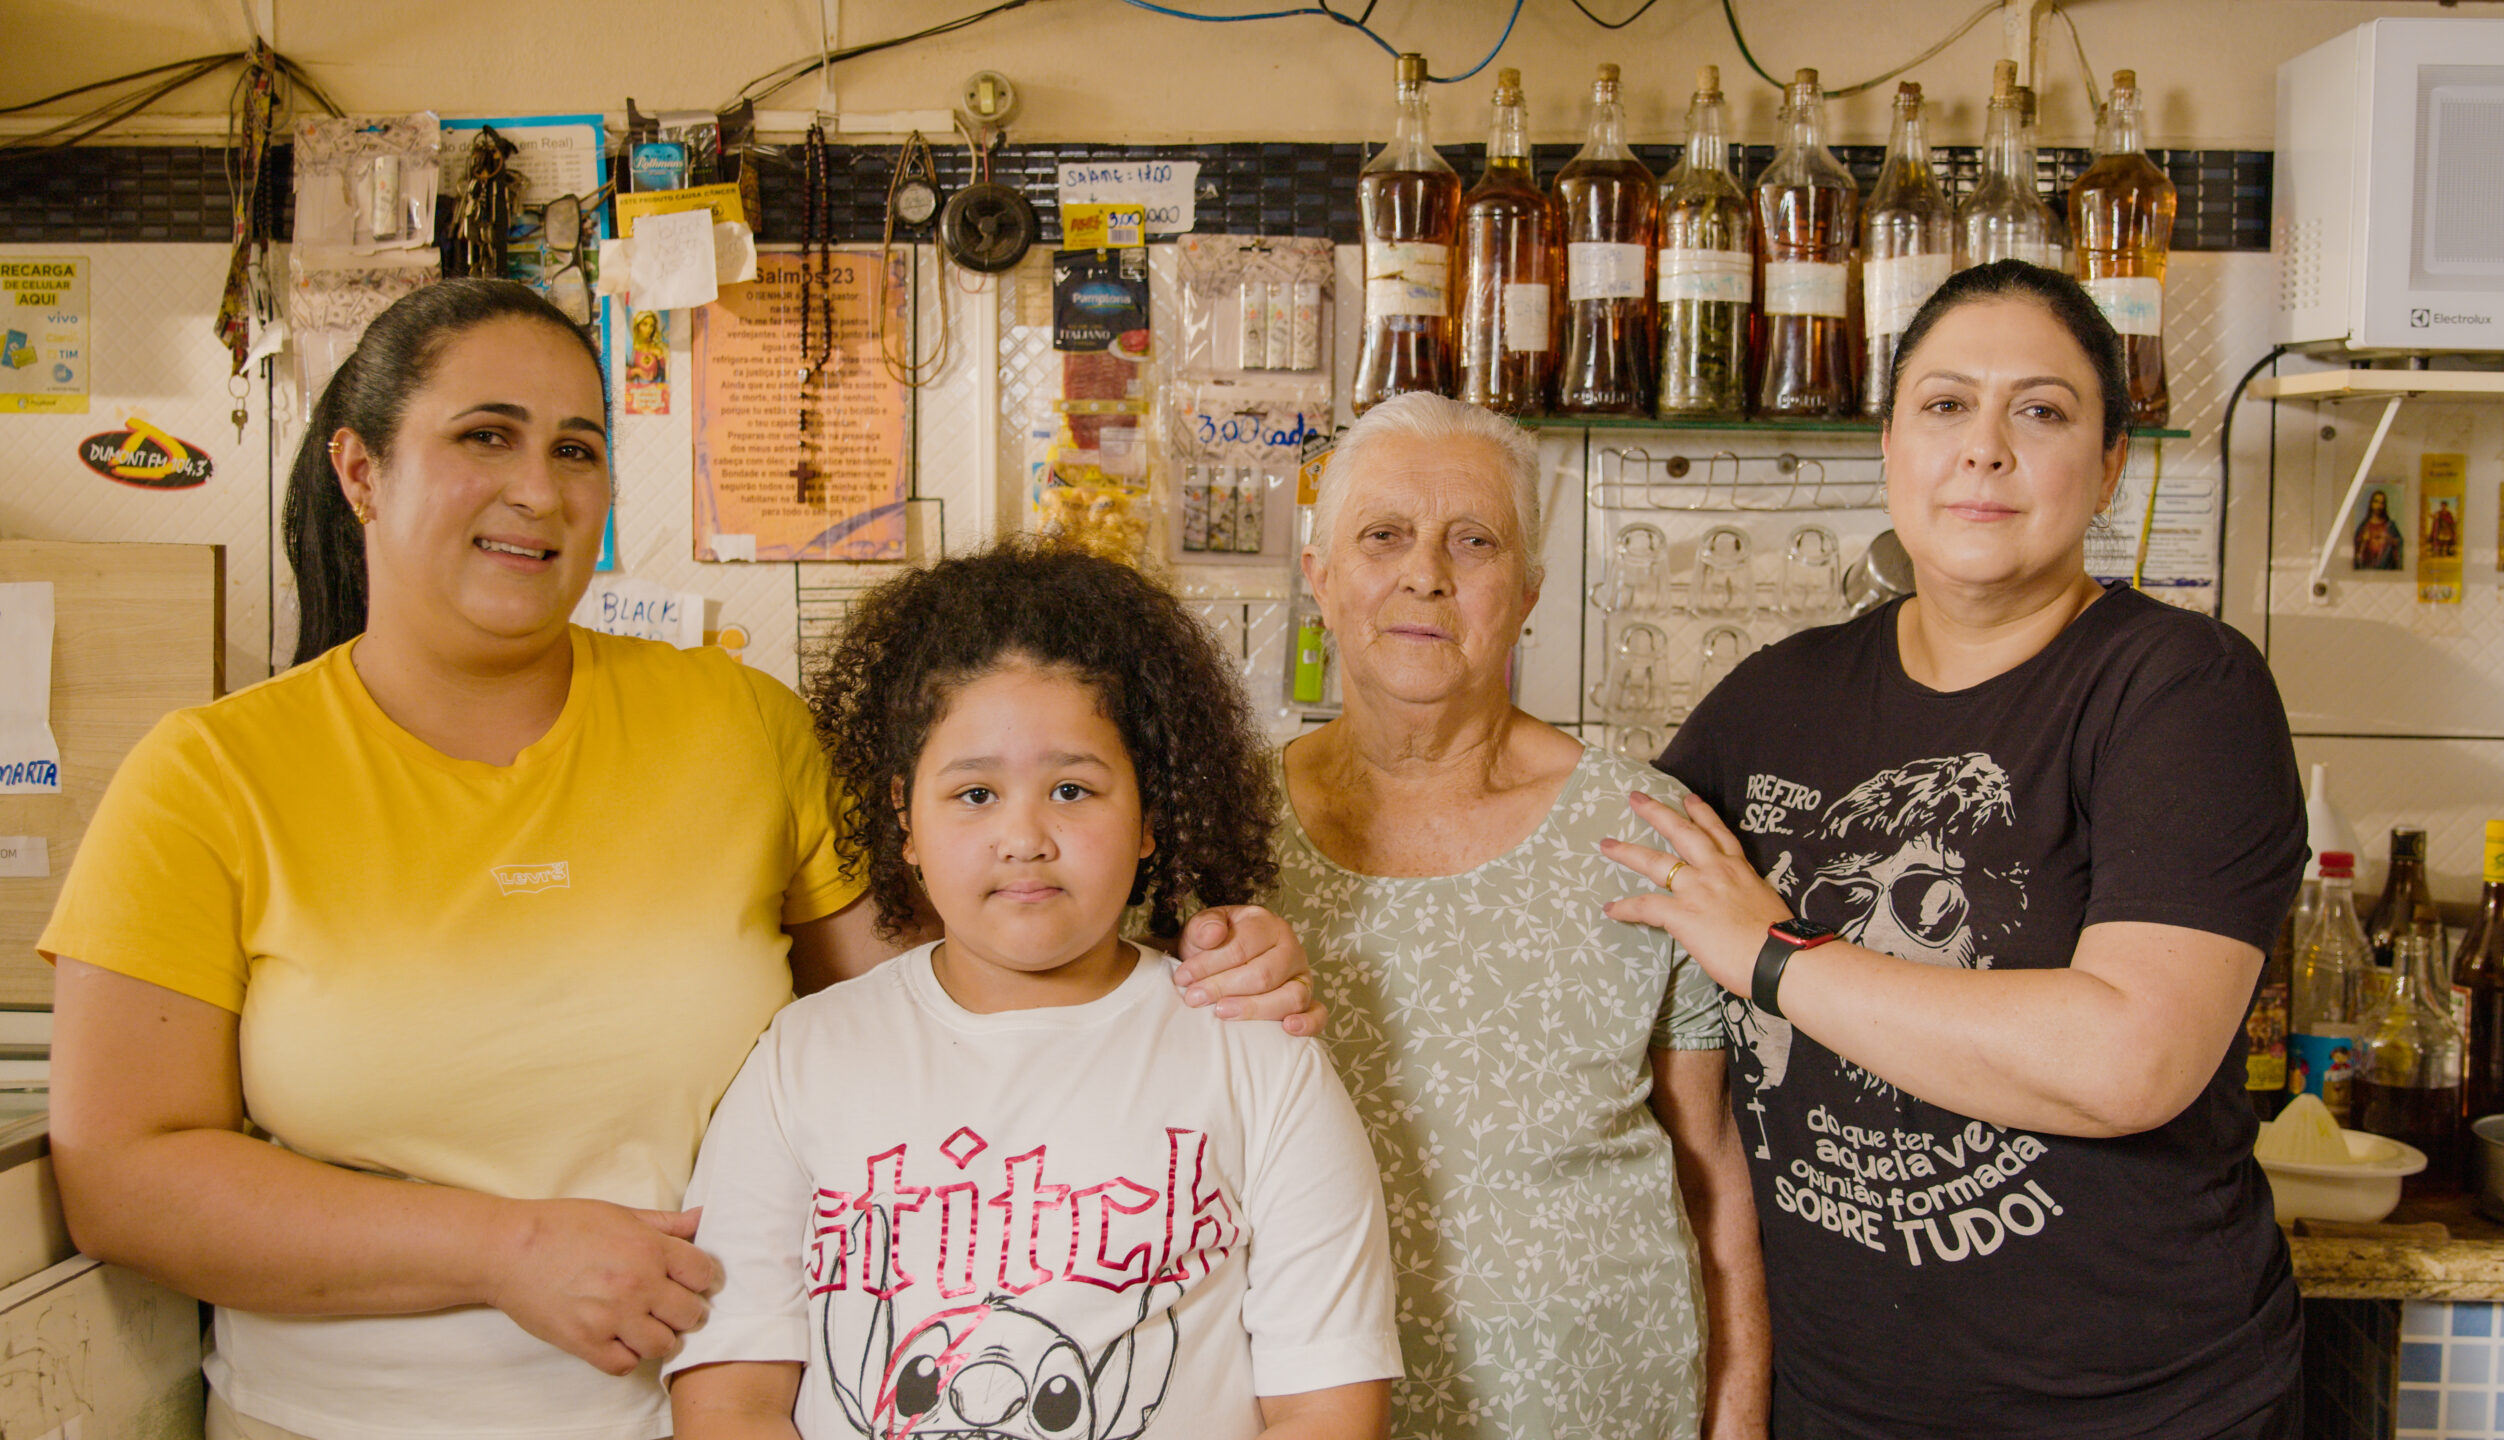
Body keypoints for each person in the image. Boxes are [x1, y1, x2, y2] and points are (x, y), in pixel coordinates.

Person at [38, 279, 1320, 1440]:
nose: (538, 489)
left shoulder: (735, 725)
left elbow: (954, 1009)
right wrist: (504, 1250)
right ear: (361, 470)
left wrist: (1194, 973)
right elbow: (124, 1178)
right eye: (485, 436)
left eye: (577, 450)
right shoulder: (209, 777)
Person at [1615, 259, 2308, 1438]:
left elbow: (2127, 1060)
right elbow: (1585, 900)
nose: (1984, 447)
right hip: (1835, 1404)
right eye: (1944, 406)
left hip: (2137, 1412)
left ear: (2109, 469)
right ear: (1888, 449)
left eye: (2040, 410)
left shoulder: (2179, 688)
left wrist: (1773, 955)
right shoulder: (1777, 698)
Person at [670, 544, 1402, 1440]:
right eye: (974, 792)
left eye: (1072, 789)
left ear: (1148, 818)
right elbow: (729, 1398)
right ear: (905, 820)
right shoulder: (804, 1056)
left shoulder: (1255, 1051)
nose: (1024, 836)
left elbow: (1329, 1406)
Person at [1273, 391, 1770, 1439]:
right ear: (1318, 577)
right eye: (1382, 536)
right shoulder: (1216, 831)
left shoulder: (1647, 825)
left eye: (1474, 540)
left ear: (1530, 591)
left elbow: (1710, 1170)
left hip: (1604, 1405)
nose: (1425, 572)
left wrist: (1734, 1422)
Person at [2351, 488, 2402, 571]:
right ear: (2371, 504)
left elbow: (2400, 544)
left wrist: (2391, 540)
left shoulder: (2390, 526)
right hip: (2366, 569)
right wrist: (2363, 541)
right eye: (2376, 502)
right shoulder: (2364, 526)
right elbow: (2356, 548)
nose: (2379, 506)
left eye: (2382, 503)